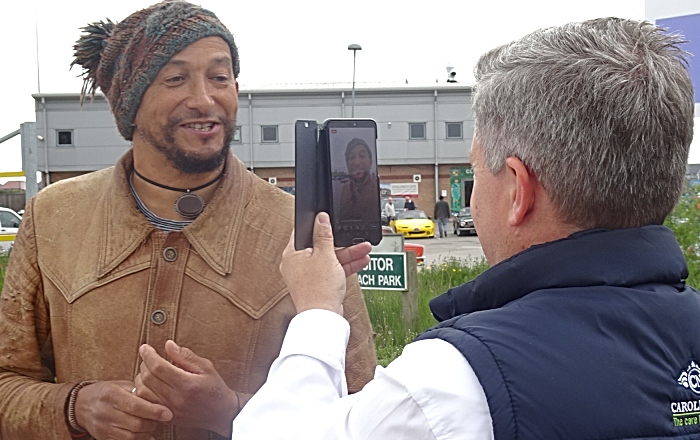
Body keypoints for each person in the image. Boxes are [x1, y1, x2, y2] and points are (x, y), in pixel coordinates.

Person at [228, 18, 700, 439]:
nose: (473, 197)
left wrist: (317, 314)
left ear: (518, 190)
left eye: (477, 174)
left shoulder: (450, 384)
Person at [0, 2, 376, 439]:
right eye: (175, 78)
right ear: (129, 102)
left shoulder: (303, 230)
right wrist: (74, 406)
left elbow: (362, 412)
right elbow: (8, 381)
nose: (204, 99)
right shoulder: (54, 217)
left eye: (219, 77)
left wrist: (231, 412)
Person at [337, 138, 380, 223]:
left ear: (370, 162)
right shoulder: (345, 189)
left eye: (362, 156)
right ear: (347, 163)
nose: (357, 162)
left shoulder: (375, 189)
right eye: (351, 157)